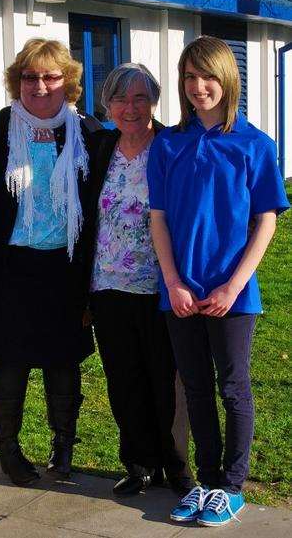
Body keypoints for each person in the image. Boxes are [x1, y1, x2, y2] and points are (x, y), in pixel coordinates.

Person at [147, 36, 289, 526]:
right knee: (196, 388)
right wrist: (173, 282)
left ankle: (232, 486)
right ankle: (205, 482)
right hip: (180, 292)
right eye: (188, 77)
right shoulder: (168, 142)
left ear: (228, 79)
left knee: (233, 386)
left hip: (234, 294)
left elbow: (266, 221)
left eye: (207, 76)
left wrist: (231, 287)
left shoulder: (254, 144)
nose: (198, 86)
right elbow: (158, 219)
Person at [0, 39, 101, 485]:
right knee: (10, 362)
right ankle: (8, 452)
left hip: (66, 267)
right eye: (30, 77)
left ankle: (63, 449)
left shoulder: (88, 133)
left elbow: (140, 139)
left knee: (63, 361)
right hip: (9, 267)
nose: (41, 85)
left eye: (51, 76)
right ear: (17, 82)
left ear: (67, 82)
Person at [82, 63, 194, 497]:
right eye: (120, 99)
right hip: (107, 285)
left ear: (154, 101)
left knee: (168, 379)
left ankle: (178, 467)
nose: (130, 108)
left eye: (140, 98)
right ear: (107, 104)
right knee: (124, 379)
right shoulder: (99, 146)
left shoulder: (171, 145)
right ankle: (140, 463)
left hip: (161, 285)